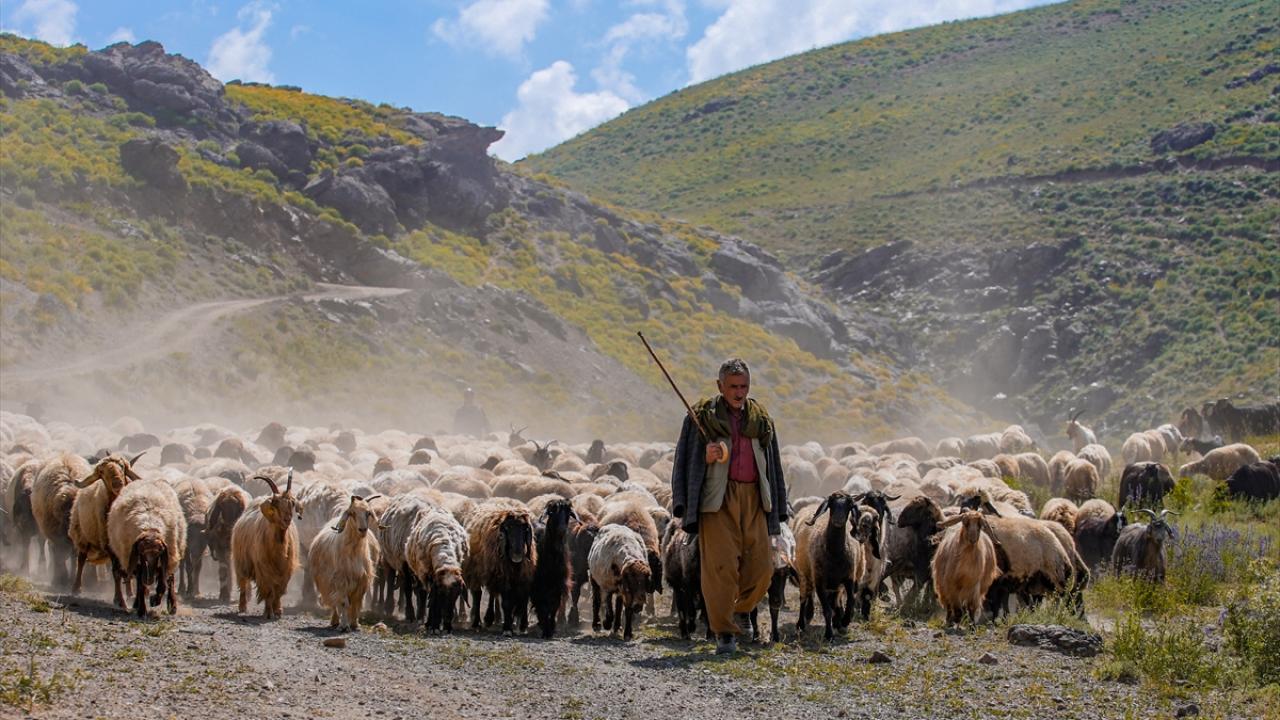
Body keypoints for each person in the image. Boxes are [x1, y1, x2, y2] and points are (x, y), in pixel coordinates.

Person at [670, 358, 788, 654]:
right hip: (717, 498)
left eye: (744, 386)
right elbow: (683, 460)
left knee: (763, 567)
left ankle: (741, 609)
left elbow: (773, 464)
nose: (739, 392)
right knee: (719, 567)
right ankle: (724, 633)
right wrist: (705, 455)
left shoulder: (760, 418)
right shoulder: (701, 417)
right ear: (720, 386)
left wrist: (779, 504)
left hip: (754, 498)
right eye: (733, 386)